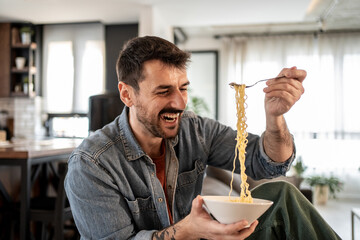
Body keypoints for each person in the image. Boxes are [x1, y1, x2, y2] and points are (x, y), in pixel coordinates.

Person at [65, 36, 340, 239]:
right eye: (163, 92)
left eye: (183, 88)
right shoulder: (92, 163)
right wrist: (188, 229)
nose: (179, 102)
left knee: (282, 193)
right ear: (127, 94)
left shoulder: (194, 130)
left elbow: (265, 162)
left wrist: (275, 118)